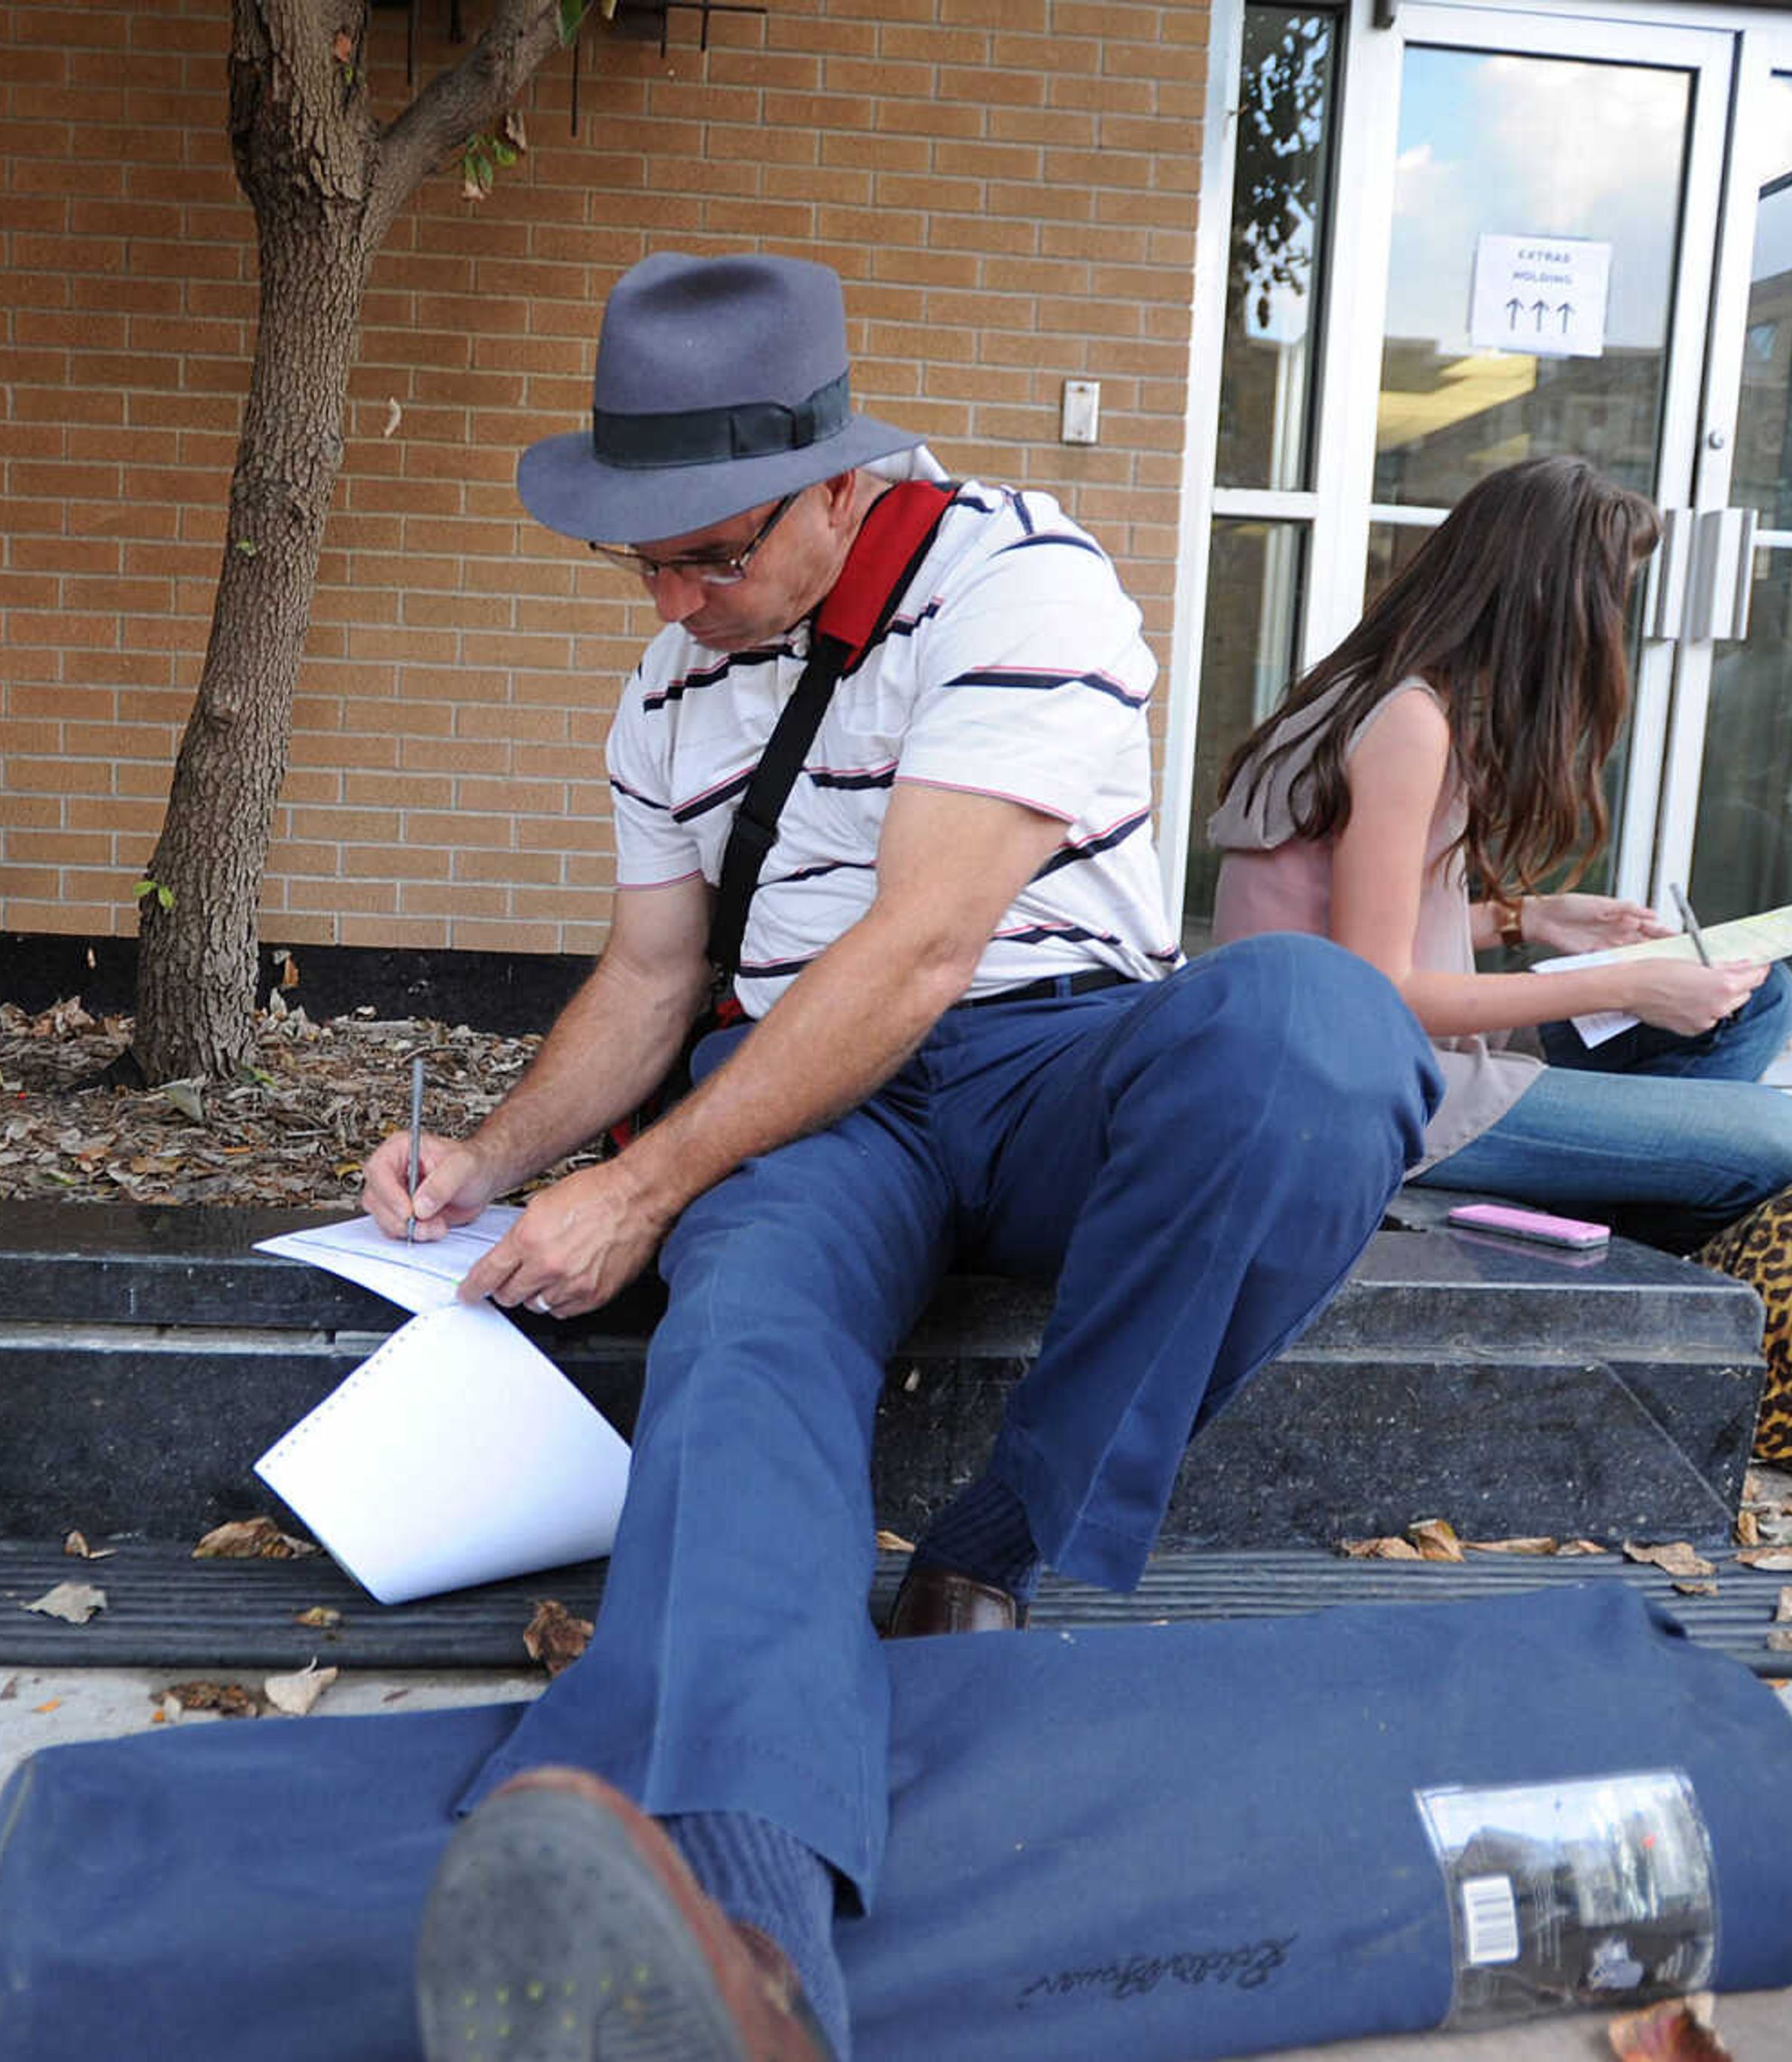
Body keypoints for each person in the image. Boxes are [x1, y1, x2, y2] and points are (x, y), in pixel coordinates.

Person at [359, 253, 1439, 2061]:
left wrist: (641, 1184)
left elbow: (927, 949)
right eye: (641, 557)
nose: (675, 598)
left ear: (841, 483)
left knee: (1314, 1034)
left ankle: (992, 1541)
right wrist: (492, 1152)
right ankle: (738, 1920)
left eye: (712, 553)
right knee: (742, 1347)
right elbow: (648, 976)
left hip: (1047, 1061)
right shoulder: (665, 693)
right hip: (804, 1096)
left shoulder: (1022, 583)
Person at [1209, 453, 1792, 1253]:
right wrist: (1633, 985)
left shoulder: (1364, 693)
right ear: (1549, 603)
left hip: (1363, 1057)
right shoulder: (1407, 724)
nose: (1612, 628)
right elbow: (1383, 995)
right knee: (1778, 1137)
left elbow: (1341, 925)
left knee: (1761, 1000)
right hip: (1364, 1091)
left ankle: (1598, 1193)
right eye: (1610, 598)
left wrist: (1533, 916)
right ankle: (1594, 1229)